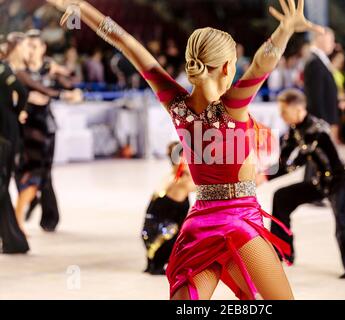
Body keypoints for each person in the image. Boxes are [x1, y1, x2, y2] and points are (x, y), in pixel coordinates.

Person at [48, 0, 324, 300]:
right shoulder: (233, 107)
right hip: (241, 223)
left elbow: (125, 43)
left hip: (200, 226)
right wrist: (284, 30)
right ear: (229, 67)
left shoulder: (176, 105)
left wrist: (82, 8)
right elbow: (262, 63)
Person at [264, 89, 345, 278]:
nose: (281, 116)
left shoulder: (317, 130)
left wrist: (266, 177)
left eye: (284, 111)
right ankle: (282, 250)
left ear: (298, 108)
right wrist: (265, 174)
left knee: (342, 220)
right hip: (319, 182)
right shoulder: (296, 130)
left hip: (338, 181)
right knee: (281, 197)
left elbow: (296, 162)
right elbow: (284, 159)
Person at [14, 30, 82, 233]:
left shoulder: (48, 68)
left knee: (45, 172)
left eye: (35, 46)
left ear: (43, 48)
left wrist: (65, 75)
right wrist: (61, 94)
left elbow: (72, 84)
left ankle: (49, 217)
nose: (31, 50)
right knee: (25, 170)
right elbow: (37, 90)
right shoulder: (21, 70)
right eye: (29, 46)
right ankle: (29, 202)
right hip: (26, 125)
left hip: (46, 125)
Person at [142, 142, 195, 275]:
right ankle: (162, 261)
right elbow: (210, 187)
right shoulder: (179, 182)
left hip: (155, 236)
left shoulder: (172, 177)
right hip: (161, 238)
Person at [0, 33, 30, 254]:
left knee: (2, 187)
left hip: (5, 136)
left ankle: (14, 239)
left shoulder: (4, 70)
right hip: (7, 133)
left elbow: (22, 91)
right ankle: (13, 239)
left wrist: (16, 112)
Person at [304, 27, 339, 141]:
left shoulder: (320, 60)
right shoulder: (315, 62)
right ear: (320, 38)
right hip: (320, 120)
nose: (333, 45)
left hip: (324, 119)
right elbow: (315, 96)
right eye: (331, 40)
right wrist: (321, 122)